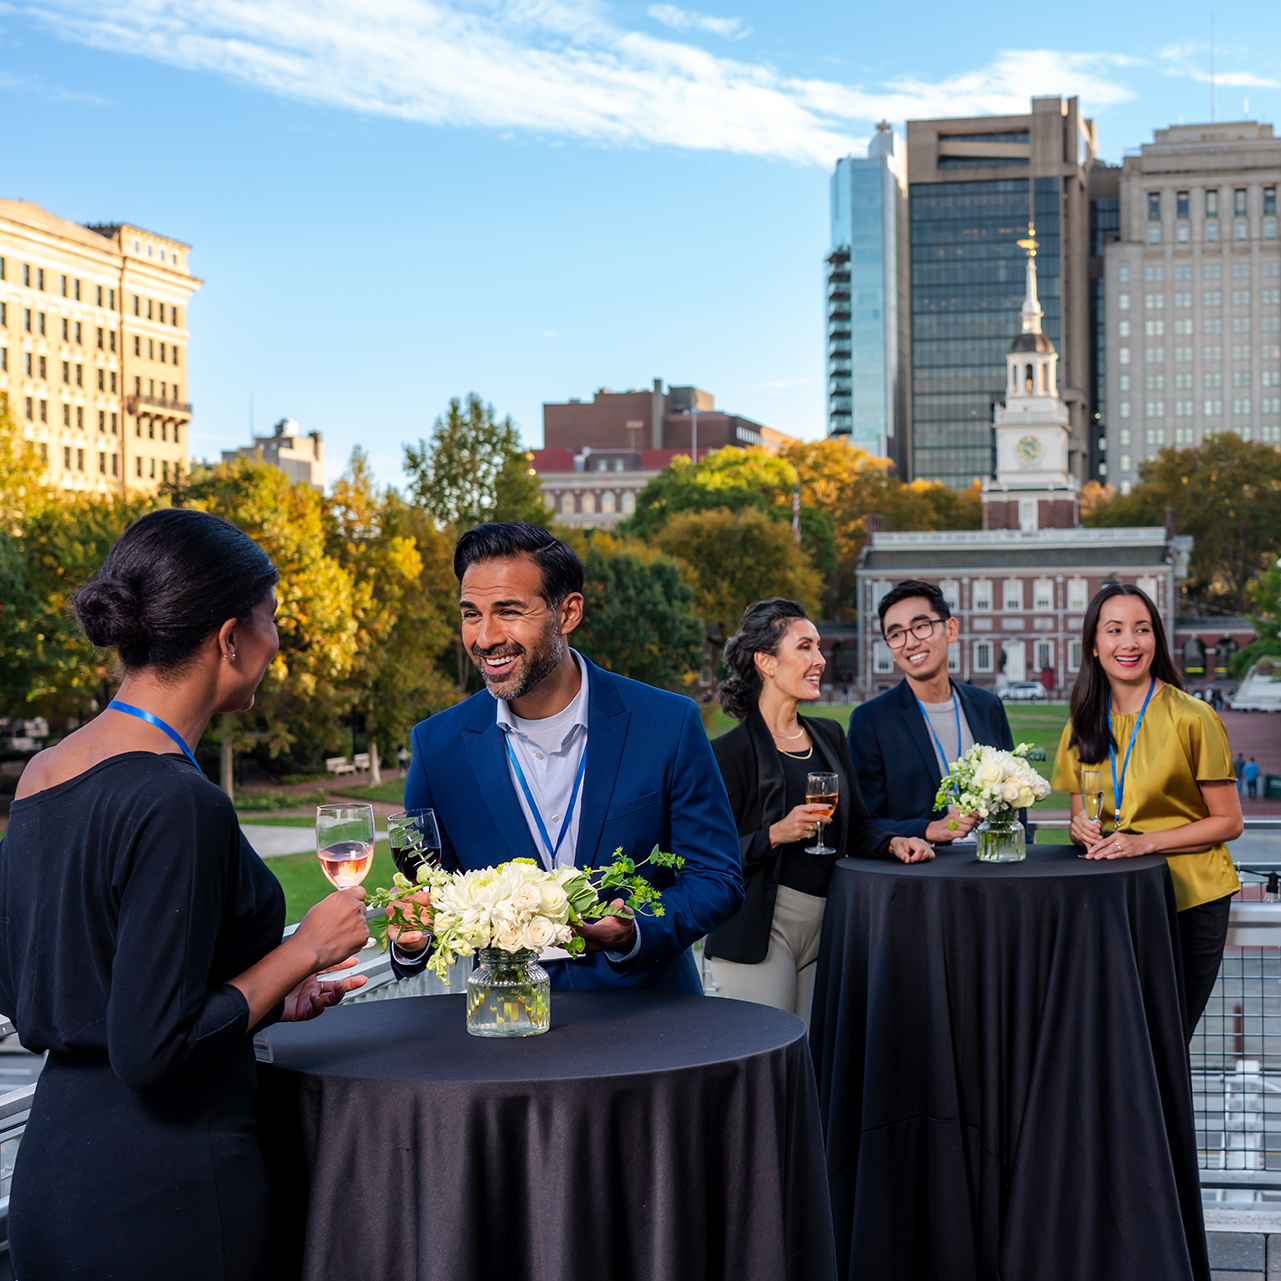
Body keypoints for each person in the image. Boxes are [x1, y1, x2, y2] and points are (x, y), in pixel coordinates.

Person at [0, 509, 370, 1281]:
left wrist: (264, 993)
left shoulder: (41, 776)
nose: (278, 644)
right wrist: (305, 948)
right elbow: (154, 1046)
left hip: (51, 1177)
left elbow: (47, 988)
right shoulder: (179, 800)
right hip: (168, 1191)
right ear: (229, 637)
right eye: (272, 620)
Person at [390, 522, 743, 993]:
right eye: (471, 614)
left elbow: (717, 877)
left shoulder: (668, 723)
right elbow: (426, 902)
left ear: (568, 612)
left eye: (509, 611)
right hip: (508, 1027)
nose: (486, 637)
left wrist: (635, 932)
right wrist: (411, 940)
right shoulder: (434, 747)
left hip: (651, 1024)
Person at [703, 600, 932, 1020]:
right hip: (760, 931)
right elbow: (705, 858)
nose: (820, 660)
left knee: (816, 1068)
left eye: (819, 648)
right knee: (770, 1067)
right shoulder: (727, 753)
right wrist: (775, 834)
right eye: (805, 647)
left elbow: (858, 825)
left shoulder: (829, 735)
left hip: (830, 924)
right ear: (766, 662)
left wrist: (895, 841)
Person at [1052, 583, 1243, 1040]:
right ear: (1095, 647)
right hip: (1114, 900)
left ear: (1156, 639)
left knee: (1166, 1043)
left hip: (1189, 900)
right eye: (1114, 630)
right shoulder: (1081, 723)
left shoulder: (1193, 717)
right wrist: (1081, 829)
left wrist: (1145, 842)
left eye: (1142, 629)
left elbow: (1229, 821)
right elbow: (1082, 819)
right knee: (1119, 1044)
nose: (1130, 643)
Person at [849, 580, 1016, 842]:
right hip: (922, 874)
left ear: (951, 629)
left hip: (993, 867)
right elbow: (860, 824)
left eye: (921, 627)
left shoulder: (988, 706)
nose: (910, 642)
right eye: (896, 634)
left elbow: (1015, 795)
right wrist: (929, 829)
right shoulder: (871, 720)